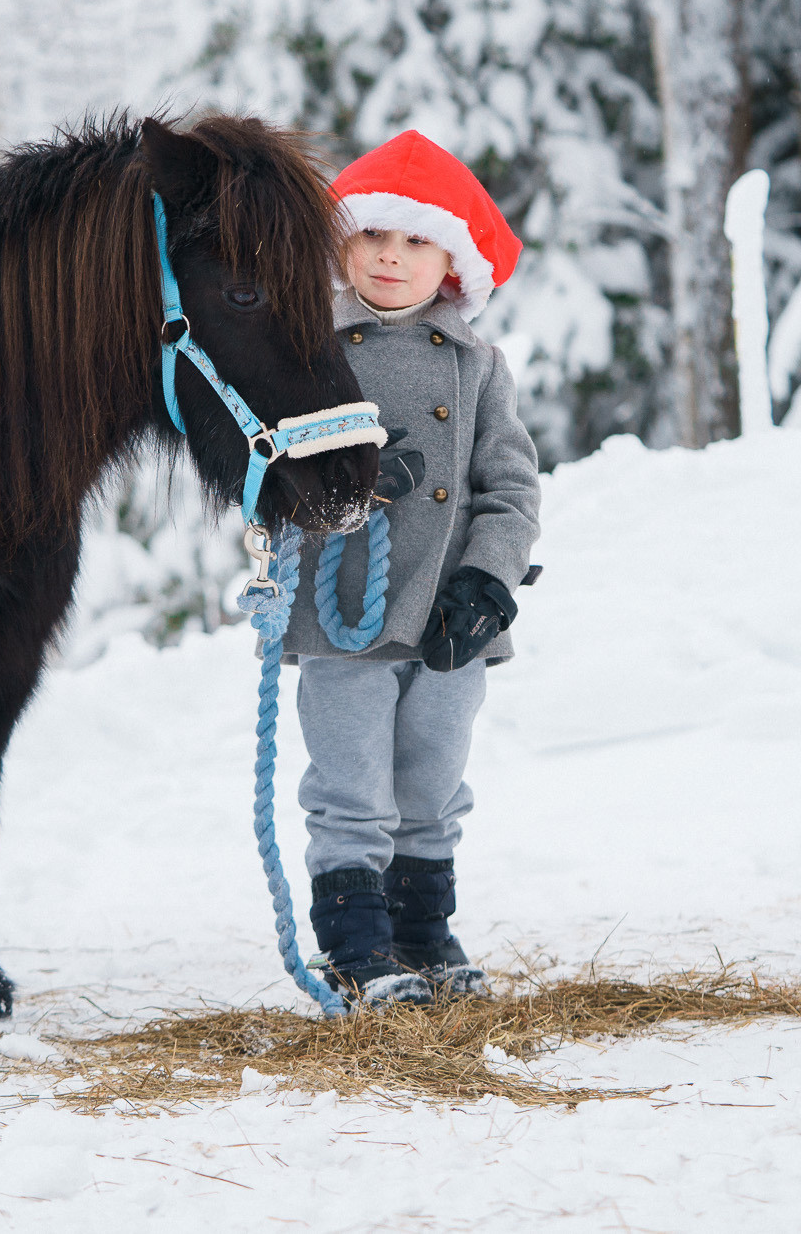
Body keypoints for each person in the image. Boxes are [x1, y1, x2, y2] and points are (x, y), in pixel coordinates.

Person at [284, 130, 542, 1005]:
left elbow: (510, 485)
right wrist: (339, 476)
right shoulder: (303, 351)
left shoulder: (477, 365)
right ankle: (358, 948)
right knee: (352, 786)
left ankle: (424, 933)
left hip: (449, 618)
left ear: (451, 262)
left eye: (415, 241)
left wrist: (490, 580)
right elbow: (267, 474)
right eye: (371, 239)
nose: (390, 258)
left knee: (432, 781)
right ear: (341, 248)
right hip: (344, 612)